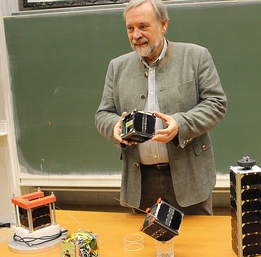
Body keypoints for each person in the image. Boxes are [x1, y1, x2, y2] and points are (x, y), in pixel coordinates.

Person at [95, 0, 227, 215]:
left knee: (198, 245)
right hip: (140, 182)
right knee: (146, 247)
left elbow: (216, 104)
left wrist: (181, 124)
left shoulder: (196, 57)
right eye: (130, 28)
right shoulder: (116, 67)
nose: (136, 34)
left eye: (143, 26)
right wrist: (114, 127)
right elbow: (103, 114)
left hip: (189, 178)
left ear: (163, 25)